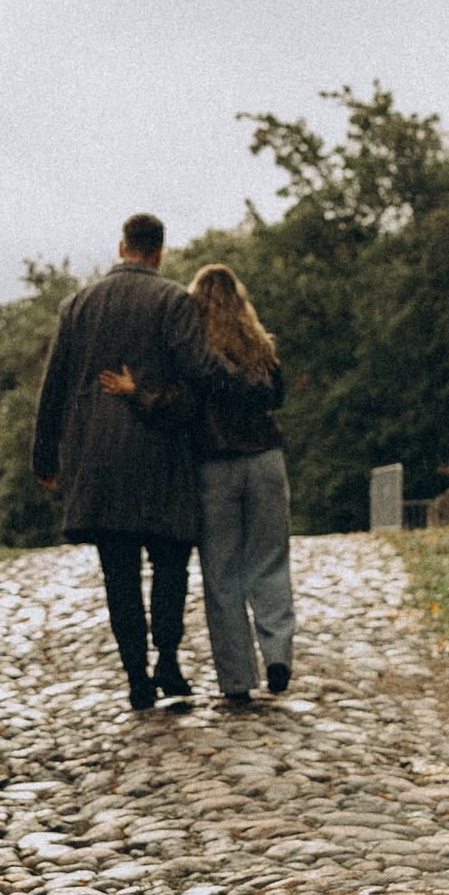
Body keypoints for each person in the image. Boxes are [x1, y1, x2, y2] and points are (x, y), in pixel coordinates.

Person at [30, 213, 250, 710]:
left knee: (119, 573)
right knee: (171, 560)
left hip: (99, 458)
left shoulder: (76, 306)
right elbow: (199, 368)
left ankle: (136, 676)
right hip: (162, 452)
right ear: (159, 251)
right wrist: (246, 385)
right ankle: (168, 659)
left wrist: (45, 455)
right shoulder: (172, 300)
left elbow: (55, 386)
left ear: (122, 244)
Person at [104, 263, 293, 713]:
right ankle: (278, 655)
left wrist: (138, 393)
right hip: (266, 460)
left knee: (222, 574)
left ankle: (236, 679)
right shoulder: (259, 345)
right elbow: (276, 394)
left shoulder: (194, 353)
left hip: (214, 467)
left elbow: (178, 407)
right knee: (270, 561)